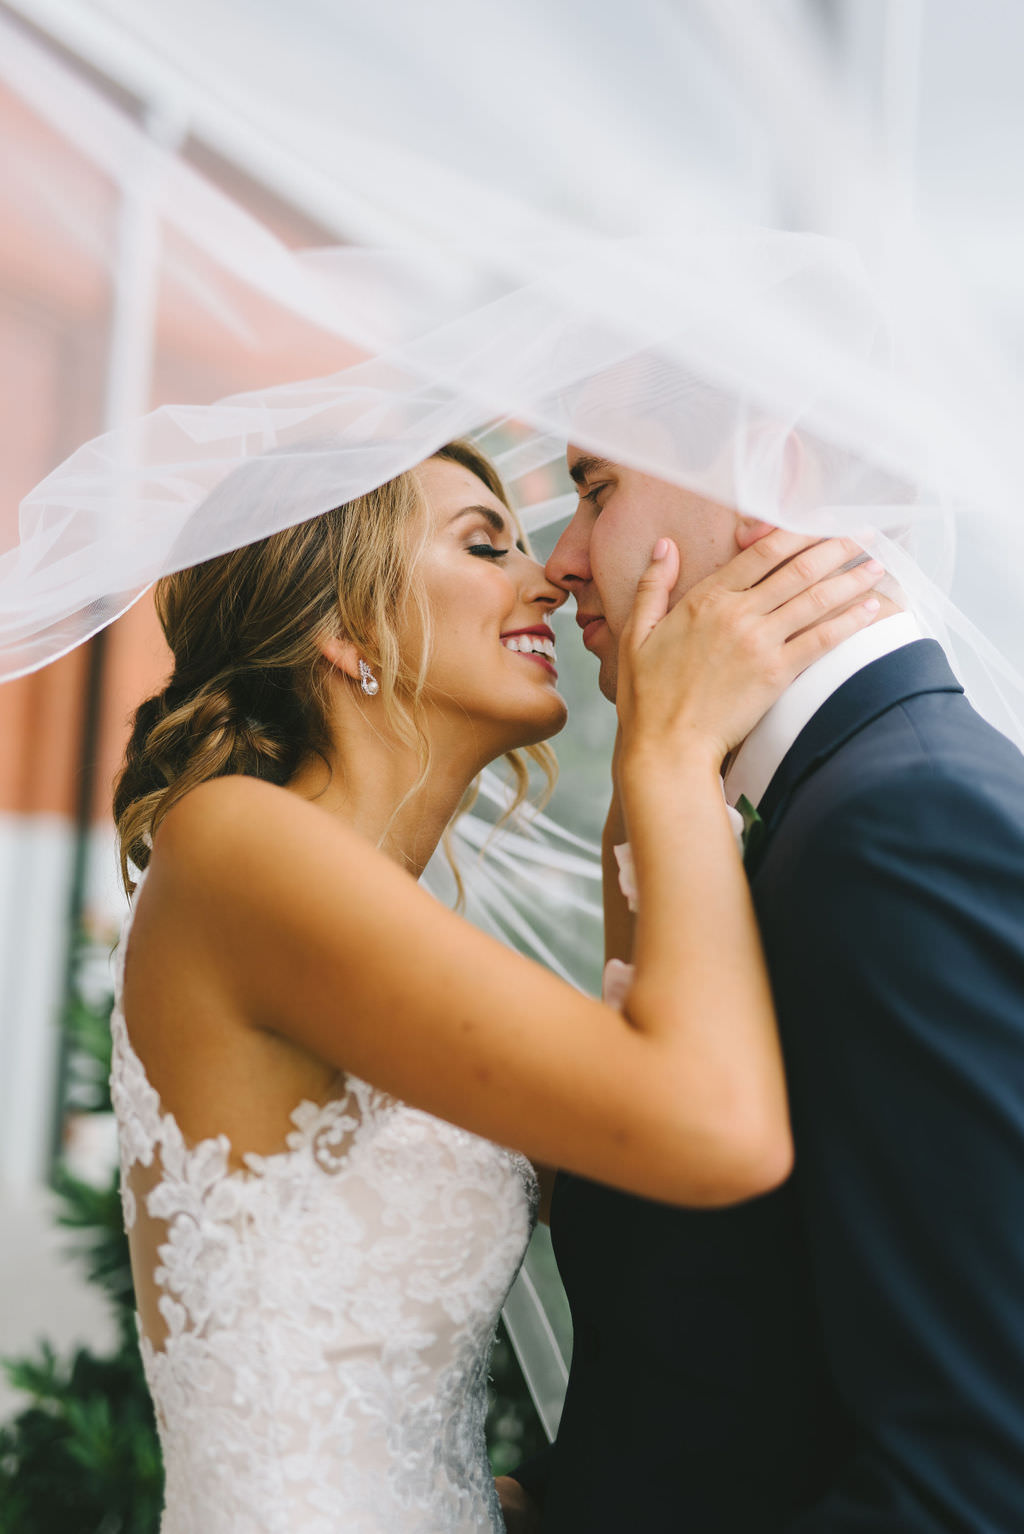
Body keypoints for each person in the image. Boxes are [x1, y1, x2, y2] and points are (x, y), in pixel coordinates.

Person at [107, 436, 878, 1533]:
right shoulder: (234, 845)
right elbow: (714, 1126)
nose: (549, 579)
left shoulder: (393, 934)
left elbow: (651, 1202)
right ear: (342, 627)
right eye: (486, 545)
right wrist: (665, 758)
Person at [503, 446, 1024, 1532]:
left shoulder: (902, 826)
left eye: (595, 491)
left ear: (766, 481)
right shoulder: (809, 807)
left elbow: (970, 1472)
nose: (556, 564)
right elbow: (728, 1365)